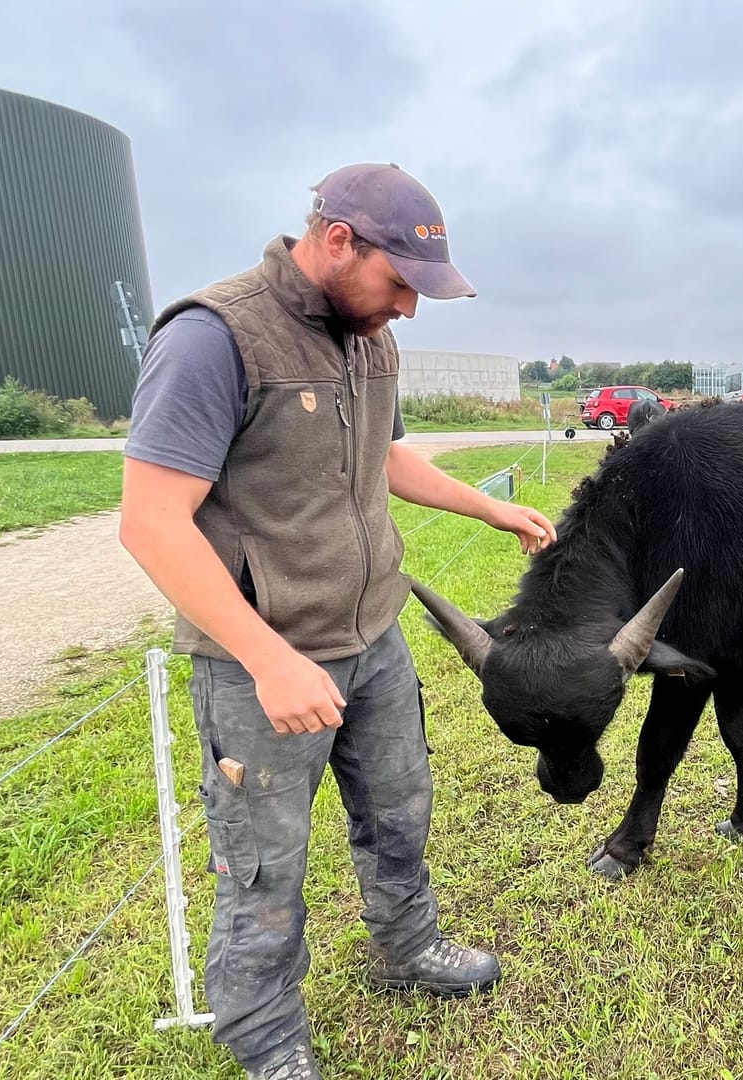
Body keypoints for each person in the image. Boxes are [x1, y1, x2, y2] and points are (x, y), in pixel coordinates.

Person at [119, 163, 556, 1080]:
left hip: (374, 639)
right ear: (337, 241)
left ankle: (406, 948)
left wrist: (491, 509)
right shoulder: (215, 338)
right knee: (264, 862)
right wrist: (267, 657)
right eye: (399, 284)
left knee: (400, 810)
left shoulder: (368, 337)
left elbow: (386, 458)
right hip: (260, 664)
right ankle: (266, 1037)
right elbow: (150, 523)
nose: (409, 309)